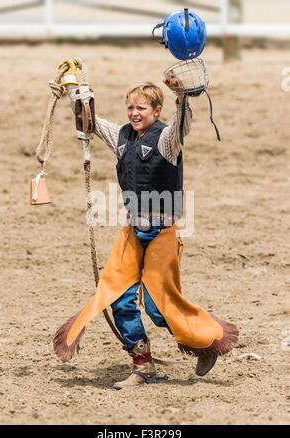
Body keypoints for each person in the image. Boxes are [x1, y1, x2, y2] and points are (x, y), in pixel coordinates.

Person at [53, 61, 239, 390]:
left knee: (157, 307)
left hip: (162, 233)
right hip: (131, 232)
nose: (133, 113)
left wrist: (181, 95)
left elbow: (182, 127)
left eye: (141, 108)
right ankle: (143, 366)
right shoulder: (122, 137)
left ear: (156, 110)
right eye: (129, 107)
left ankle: (203, 342)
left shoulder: (167, 140)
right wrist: (72, 87)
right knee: (119, 298)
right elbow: (90, 122)